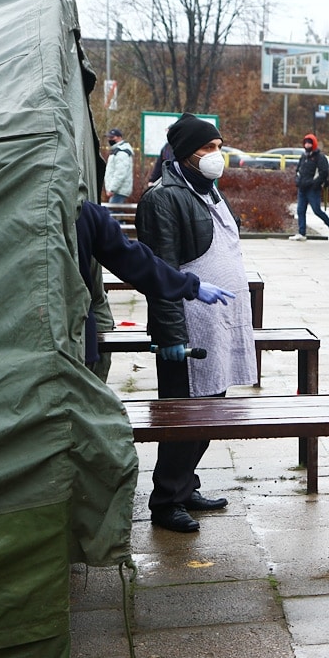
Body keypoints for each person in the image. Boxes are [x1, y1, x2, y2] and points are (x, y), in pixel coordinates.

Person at [135, 112, 258, 533]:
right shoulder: (163, 198)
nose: (216, 156)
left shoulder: (208, 191)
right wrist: (170, 333)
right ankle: (166, 500)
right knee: (183, 414)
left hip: (219, 320)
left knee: (209, 408)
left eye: (220, 147)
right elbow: (160, 269)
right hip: (188, 326)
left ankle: (185, 485)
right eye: (208, 148)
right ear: (187, 154)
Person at [75, 200, 233, 369]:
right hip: (74, 339)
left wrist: (190, 285)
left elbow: (134, 261)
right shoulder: (80, 210)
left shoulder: (83, 212)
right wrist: (190, 285)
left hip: (73, 338)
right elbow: (133, 261)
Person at [290, 133, 329, 241]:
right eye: (305, 142)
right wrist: (298, 180)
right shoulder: (303, 156)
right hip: (302, 187)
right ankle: (302, 233)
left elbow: (323, 172)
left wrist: (315, 183)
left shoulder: (320, 157)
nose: (307, 145)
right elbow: (298, 170)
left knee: (316, 210)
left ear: (314, 144)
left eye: (309, 143)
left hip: (312, 188)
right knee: (300, 210)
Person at [104, 128, 134, 208]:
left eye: (112, 137)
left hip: (119, 190)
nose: (109, 139)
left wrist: (112, 189)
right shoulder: (118, 151)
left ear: (119, 137)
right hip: (118, 190)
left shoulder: (122, 152)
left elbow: (120, 173)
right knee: (115, 213)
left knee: (113, 213)